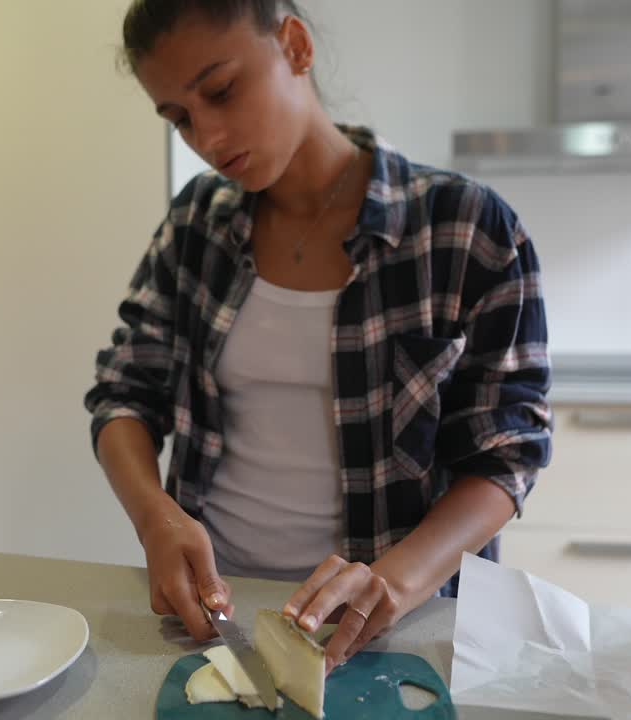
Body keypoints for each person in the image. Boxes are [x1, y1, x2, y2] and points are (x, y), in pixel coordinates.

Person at [84, 0, 552, 674]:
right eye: (180, 118)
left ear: (295, 47)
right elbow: (123, 392)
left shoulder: (464, 228)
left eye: (221, 91)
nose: (209, 138)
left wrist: (391, 581)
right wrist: (152, 514)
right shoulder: (195, 225)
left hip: (393, 624)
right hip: (219, 616)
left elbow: (507, 456)